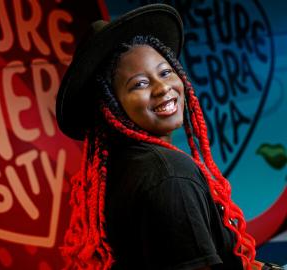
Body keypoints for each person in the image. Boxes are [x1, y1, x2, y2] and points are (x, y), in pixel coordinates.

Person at [55, 4, 284, 270]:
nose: (163, 87)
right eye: (139, 84)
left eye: (165, 72)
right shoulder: (168, 174)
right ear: (111, 105)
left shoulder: (121, 167)